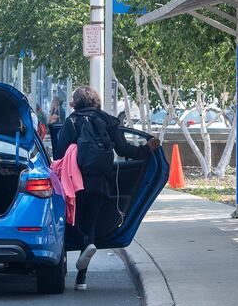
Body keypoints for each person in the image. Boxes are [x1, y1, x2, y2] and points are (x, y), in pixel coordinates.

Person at [55, 86, 160, 291]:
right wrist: (148, 148)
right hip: (100, 182)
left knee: (73, 223)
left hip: (74, 183)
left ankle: (77, 253)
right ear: (96, 102)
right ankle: (82, 279)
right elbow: (124, 150)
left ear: (74, 104)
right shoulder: (109, 121)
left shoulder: (71, 122)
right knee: (91, 224)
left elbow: (59, 154)